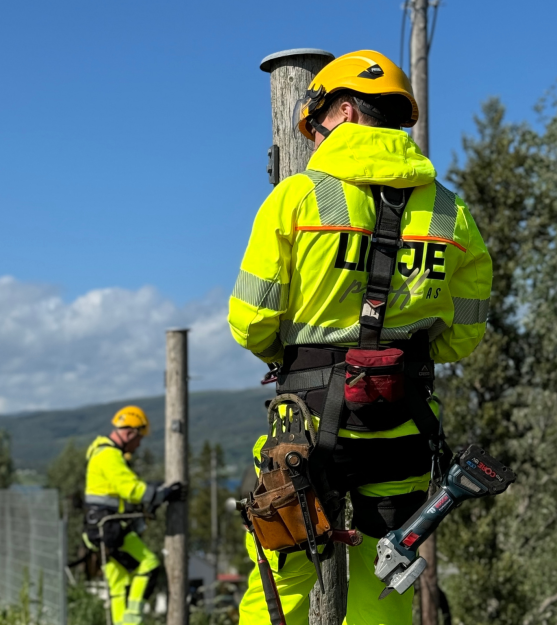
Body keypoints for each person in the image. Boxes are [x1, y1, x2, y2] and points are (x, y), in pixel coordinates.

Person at [227, 50, 492, 625]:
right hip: (400, 422)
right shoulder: (450, 213)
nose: (315, 139)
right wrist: (410, 357)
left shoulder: (296, 198)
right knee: (387, 578)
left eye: (316, 124)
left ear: (344, 111)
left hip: (306, 423)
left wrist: (291, 359)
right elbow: (465, 329)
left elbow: (250, 320)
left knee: (283, 578)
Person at [83, 406, 184, 625]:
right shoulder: (109, 454)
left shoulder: (100, 453)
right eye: (139, 438)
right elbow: (131, 489)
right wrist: (163, 493)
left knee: (118, 584)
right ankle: (133, 620)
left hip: (97, 531)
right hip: (110, 530)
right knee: (149, 564)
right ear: (129, 433)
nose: (138, 444)